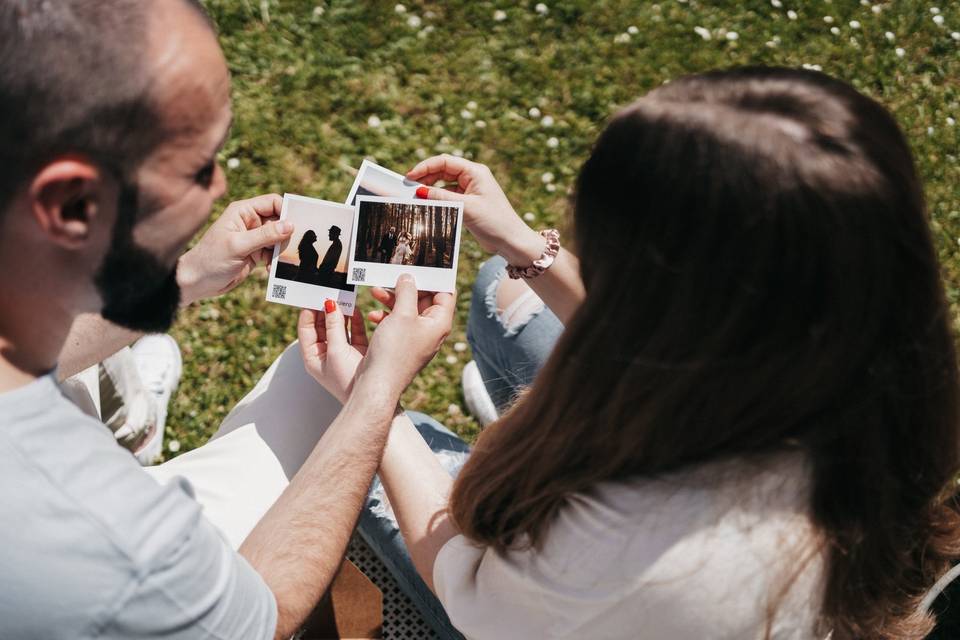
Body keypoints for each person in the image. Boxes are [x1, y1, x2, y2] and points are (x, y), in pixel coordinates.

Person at [309, 68, 960, 639]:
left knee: (353, 442)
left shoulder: (641, 547)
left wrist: (376, 404)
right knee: (500, 290)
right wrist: (520, 244)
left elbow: (471, 589)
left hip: (559, 608)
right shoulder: (873, 377)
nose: (576, 246)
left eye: (612, 265)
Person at [0, 2, 454, 639]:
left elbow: (20, 353)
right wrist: (375, 393)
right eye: (196, 167)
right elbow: (265, 610)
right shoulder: (102, 544)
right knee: (321, 388)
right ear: (70, 202)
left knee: (288, 372)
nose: (217, 189)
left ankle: (126, 426)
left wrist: (181, 280)